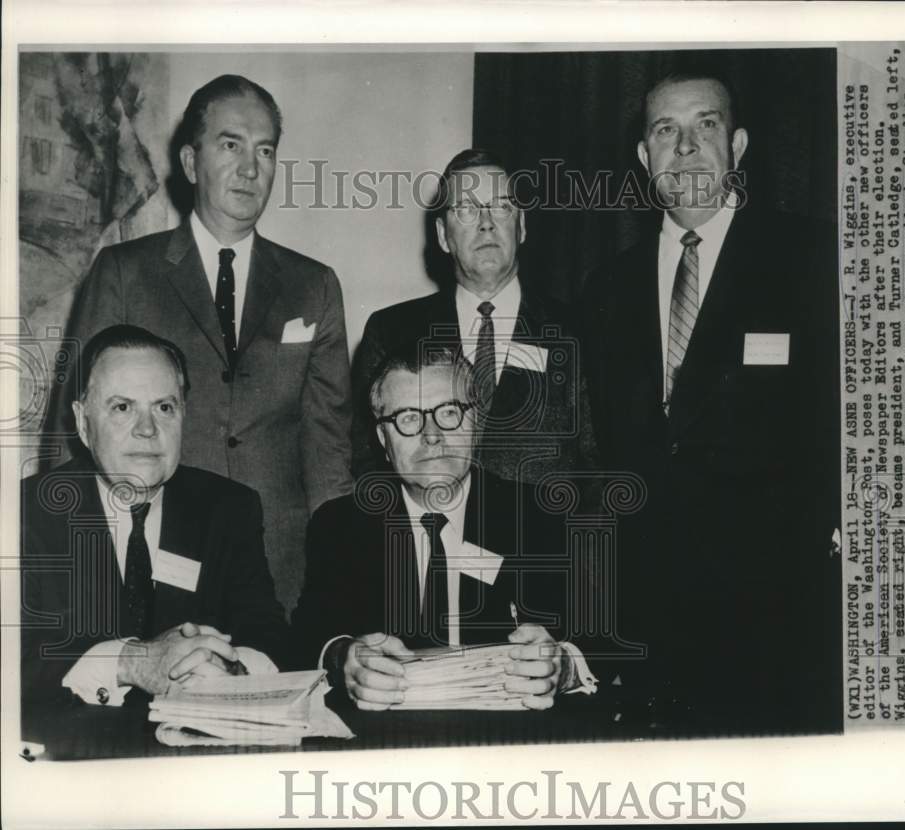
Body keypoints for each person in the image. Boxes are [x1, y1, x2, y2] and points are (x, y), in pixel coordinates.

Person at [581, 69, 841, 735]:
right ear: (644, 157)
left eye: (707, 125)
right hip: (645, 625)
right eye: (666, 130)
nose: (686, 146)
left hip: (777, 618)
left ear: (741, 145)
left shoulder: (810, 259)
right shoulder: (606, 289)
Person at [50, 75, 353, 613]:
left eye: (265, 150)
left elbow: (329, 450)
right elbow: (71, 434)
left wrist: (338, 572)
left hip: (282, 568)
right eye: (230, 145)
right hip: (150, 556)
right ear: (191, 163)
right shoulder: (125, 273)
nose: (250, 167)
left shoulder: (315, 284)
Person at [291, 345, 595, 711]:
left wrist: (563, 668)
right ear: (384, 440)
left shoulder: (538, 516)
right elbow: (309, 638)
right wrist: (343, 661)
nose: (432, 435)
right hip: (383, 741)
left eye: (449, 412)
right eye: (408, 418)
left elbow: (598, 637)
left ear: (476, 423)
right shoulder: (341, 525)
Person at [21, 325, 288, 708]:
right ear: (83, 423)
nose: (147, 429)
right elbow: (14, 659)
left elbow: (269, 635)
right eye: (123, 407)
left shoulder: (228, 508)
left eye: (164, 407)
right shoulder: (24, 515)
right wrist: (131, 662)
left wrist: (233, 670)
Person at [350, 148, 597, 488]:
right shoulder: (392, 331)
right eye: (466, 209)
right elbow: (368, 461)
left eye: (501, 207)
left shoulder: (580, 330)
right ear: (442, 236)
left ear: (521, 226)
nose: (485, 222)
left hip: (543, 537)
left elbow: (596, 466)